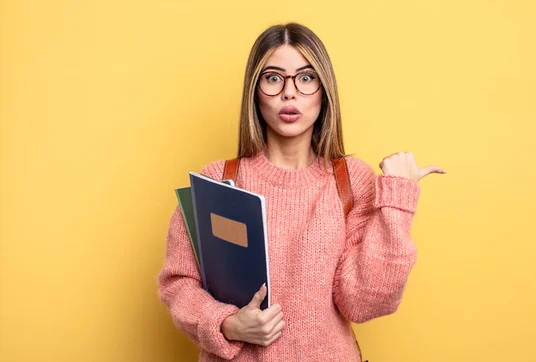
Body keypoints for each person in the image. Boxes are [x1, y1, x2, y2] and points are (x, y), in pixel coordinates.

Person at [157, 22, 445, 362]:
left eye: (306, 78)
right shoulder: (217, 179)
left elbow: (365, 302)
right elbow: (178, 283)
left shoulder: (352, 181)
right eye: (274, 78)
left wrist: (397, 202)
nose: (289, 93)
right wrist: (227, 324)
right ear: (255, 90)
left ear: (324, 92)